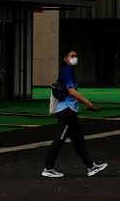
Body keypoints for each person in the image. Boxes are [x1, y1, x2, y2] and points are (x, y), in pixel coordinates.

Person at [42, 49, 108, 178]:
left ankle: (91, 166)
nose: (75, 58)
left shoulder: (69, 71)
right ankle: (48, 168)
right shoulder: (67, 71)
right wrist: (87, 102)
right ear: (65, 58)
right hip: (66, 111)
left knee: (78, 140)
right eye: (72, 56)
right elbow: (71, 91)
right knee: (60, 140)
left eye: (76, 56)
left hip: (70, 111)